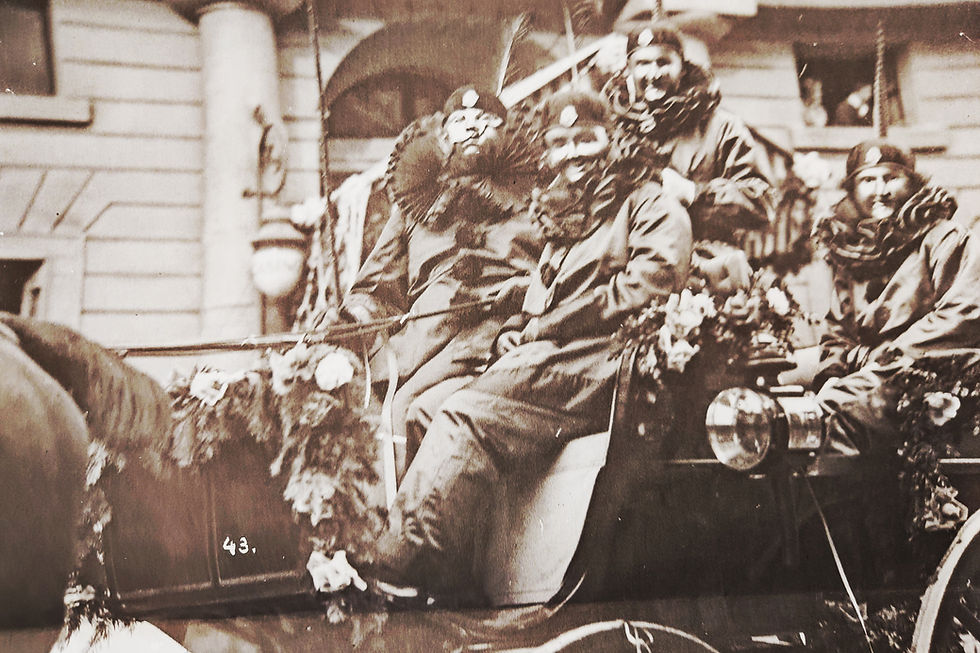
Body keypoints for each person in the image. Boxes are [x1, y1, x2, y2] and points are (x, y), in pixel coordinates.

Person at [369, 88, 693, 595]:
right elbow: (545, 295)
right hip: (549, 354)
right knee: (428, 411)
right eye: (561, 144)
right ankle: (430, 572)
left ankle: (406, 565)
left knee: (459, 412)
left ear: (614, 141)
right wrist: (523, 328)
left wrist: (544, 324)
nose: (573, 154)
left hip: (605, 361)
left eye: (586, 140)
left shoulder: (647, 201)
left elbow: (649, 282)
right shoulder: (569, 217)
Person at [340, 86, 541, 468]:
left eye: (484, 121)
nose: (471, 129)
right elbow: (376, 285)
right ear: (444, 137)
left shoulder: (535, 196)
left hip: (499, 335)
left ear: (505, 131)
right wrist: (355, 316)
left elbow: (559, 266)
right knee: (380, 413)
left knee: (411, 411)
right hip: (424, 342)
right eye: (460, 122)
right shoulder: (417, 205)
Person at [813, 139, 980, 454]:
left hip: (932, 372)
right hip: (869, 381)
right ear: (851, 191)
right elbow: (837, 335)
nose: (880, 190)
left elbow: (962, 315)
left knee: (840, 418)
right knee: (806, 420)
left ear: (914, 185)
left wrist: (883, 357)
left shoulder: (944, 237)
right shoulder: (850, 255)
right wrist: (830, 379)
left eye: (891, 177)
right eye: (867, 180)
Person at [603, 22, 774, 258]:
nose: (653, 74)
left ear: (682, 69)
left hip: (705, 268)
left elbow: (763, 205)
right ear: (628, 71)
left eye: (663, 62)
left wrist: (694, 193)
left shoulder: (720, 126)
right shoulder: (614, 131)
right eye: (642, 64)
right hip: (633, 265)